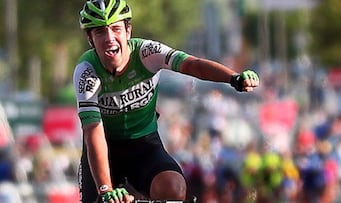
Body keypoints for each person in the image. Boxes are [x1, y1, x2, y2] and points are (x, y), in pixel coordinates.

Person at [73, 0, 260, 202]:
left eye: (116, 29)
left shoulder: (147, 53)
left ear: (128, 31)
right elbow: (93, 130)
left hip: (143, 145)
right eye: (100, 32)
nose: (110, 38)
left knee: (174, 188)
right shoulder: (87, 72)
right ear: (90, 39)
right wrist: (105, 190)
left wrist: (233, 78)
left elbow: (193, 65)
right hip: (105, 149)